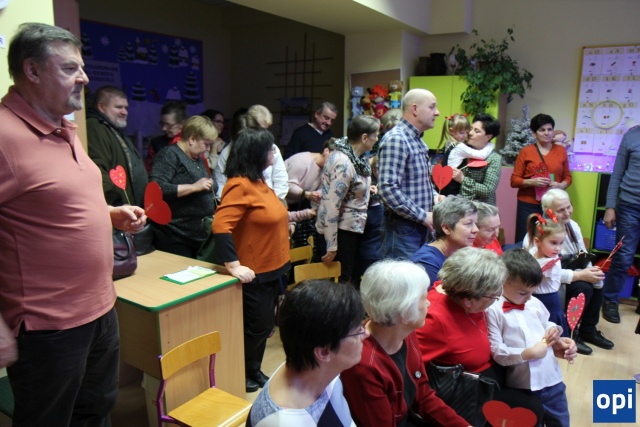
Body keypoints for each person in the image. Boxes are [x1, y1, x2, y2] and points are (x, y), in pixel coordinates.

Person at [0, 23, 146, 426]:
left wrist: (109, 214)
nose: (83, 78)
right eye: (69, 68)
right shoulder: (4, 135)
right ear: (31, 70)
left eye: (81, 67)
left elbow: (53, 201)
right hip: (48, 326)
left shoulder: (65, 126)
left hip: (100, 309)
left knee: (97, 410)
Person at [415, 247, 544, 425]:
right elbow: (417, 381)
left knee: (537, 399)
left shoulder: (467, 296)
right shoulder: (434, 320)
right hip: (470, 395)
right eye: (495, 296)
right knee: (530, 410)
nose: (498, 299)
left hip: (498, 376)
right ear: (468, 300)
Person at [341, 260, 470, 427]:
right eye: (423, 298)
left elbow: (422, 395)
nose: (429, 303)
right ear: (404, 313)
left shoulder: (406, 333)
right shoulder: (362, 366)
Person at [211, 127, 290, 393]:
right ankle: (243, 371)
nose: (273, 153)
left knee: (265, 327)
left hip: (274, 267)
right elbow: (220, 226)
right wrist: (233, 266)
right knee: (256, 327)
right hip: (255, 271)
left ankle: (254, 369)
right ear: (257, 153)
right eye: (270, 149)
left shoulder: (259, 181)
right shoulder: (239, 185)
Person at [246, 279, 365, 427]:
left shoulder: (314, 366)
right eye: (358, 331)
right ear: (324, 352)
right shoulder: (285, 422)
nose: (365, 334)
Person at [487, 249, 577, 427]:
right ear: (502, 282)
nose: (529, 298)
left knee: (560, 422)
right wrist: (528, 353)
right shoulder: (492, 310)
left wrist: (554, 332)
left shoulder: (533, 302)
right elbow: (496, 351)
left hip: (552, 380)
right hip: (522, 385)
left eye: (532, 292)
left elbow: (546, 323)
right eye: (523, 293)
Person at [528, 189, 611, 354]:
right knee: (584, 287)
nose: (567, 212)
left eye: (569, 207)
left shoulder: (573, 226)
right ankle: (573, 331)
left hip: (570, 270)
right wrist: (581, 275)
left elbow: (582, 253)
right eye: (561, 210)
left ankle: (588, 329)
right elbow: (548, 273)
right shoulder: (537, 234)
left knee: (598, 280)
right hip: (552, 283)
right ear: (548, 211)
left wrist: (591, 271)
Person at [378, 89, 441, 259]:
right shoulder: (397, 139)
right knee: (403, 276)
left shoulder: (417, 140)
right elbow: (387, 189)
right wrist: (423, 216)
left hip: (417, 226)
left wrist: (434, 196)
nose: (437, 112)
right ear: (414, 109)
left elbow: (418, 182)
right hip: (403, 229)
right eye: (432, 107)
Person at [316, 115, 379, 283]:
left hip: (350, 230)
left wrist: (366, 190)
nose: (377, 139)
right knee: (339, 284)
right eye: (375, 135)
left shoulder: (358, 157)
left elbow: (351, 187)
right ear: (364, 138)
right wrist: (331, 245)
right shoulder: (343, 162)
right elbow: (331, 205)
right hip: (340, 233)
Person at [149, 115, 217, 257]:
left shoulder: (196, 158)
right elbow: (156, 189)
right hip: (175, 236)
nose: (208, 149)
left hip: (196, 236)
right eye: (206, 144)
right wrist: (193, 187)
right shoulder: (169, 154)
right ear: (192, 139)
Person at [511, 113, 572, 242]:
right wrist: (532, 182)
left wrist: (560, 185)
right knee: (525, 239)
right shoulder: (526, 151)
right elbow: (514, 181)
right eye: (542, 130)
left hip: (553, 205)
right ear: (534, 134)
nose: (547, 133)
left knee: (550, 239)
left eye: (550, 129)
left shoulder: (561, 151)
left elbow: (568, 177)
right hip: (528, 204)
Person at [601, 122, 640, 324]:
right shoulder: (631, 136)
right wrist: (610, 207)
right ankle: (610, 300)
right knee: (623, 256)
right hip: (630, 205)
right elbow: (616, 175)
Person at [87, 85, 148, 206]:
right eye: (119, 107)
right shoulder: (94, 127)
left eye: (126, 108)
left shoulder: (114, 129)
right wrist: (116, 202)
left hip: (130, 207)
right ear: (101, 107)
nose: (124, 112)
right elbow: (97, 169)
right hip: (116, 208)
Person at [410, 196, 478, 285]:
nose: (476, 229)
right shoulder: (426, 262)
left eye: (475, 223)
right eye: (468, 224)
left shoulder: (460, 254)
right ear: (446, 228)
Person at [523, 212, 570, 335]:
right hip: (533, 300)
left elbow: (528, 278)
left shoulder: (551, 263)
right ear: (537, 241)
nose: (558, 248)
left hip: (549, 302)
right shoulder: (532, 251)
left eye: (561, 243)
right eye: (553, 243)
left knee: (550, 335)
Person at [449, 114, 502, 205]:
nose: (470, 133)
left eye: (476, 131)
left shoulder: (494, 158)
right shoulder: (463, 149)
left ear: (488, 136)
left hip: (481, 208)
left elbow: (488, 190)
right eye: (471, 129)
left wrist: (463, 179)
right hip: (459, 205)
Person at [247, 104, 289, 200]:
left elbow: (281, 180)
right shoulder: (238, 148)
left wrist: (273, 201)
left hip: (270, 200)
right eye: (261, 129)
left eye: (266, 129)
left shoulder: (273, 148)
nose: (264, 133)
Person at [145, 100, 187, 173]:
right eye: (162, 124)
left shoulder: (190, 142)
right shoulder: (156, 143)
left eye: (168, 125)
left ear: (181, 124)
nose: (164, 128)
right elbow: (148, 169)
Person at [201, 108, 227, 174]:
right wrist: (213, 150)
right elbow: (209, 167)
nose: (221, 125)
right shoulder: (201, 143)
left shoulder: (223, 143)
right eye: (218, 121)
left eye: (222, 122)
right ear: (209, 122)